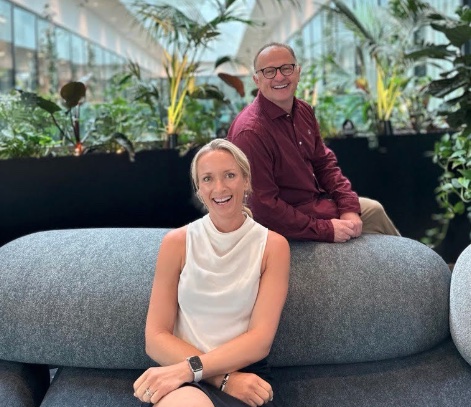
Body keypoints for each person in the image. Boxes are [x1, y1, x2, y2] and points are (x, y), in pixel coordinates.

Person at [133, 139, 290, 407]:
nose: (219, 188)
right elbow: (156, 338)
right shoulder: (176, 243)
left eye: (229, 175)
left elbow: (260, 340)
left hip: (245, 374)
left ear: (246, 181)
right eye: (207, 179)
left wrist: (204, 372)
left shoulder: (273, 247)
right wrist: (222, 379)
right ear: (199, 189)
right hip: (183, 375)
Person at [227, 42, 400, 243]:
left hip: (316, 205)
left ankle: (412, 261)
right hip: (284, 224)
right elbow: (263, 208)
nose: (280, 77)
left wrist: (348, 207)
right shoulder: (251, 132)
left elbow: (323, 163)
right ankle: (411, 262)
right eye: (269, 71)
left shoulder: (303, 111)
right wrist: (325, 229)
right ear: (257, 80)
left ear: (298, 72)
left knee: (371, 212)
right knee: (373, 215)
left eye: (286, 68)